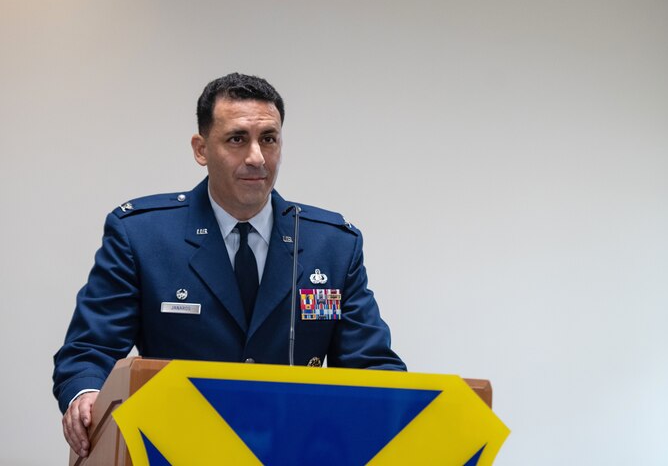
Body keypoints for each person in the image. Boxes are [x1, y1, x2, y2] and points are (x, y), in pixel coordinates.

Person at [53, 73, 405, 457]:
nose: (256, 157)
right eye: (237, 139)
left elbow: (371, 365)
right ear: (201, 149)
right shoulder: (142, 236)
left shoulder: (332, 244)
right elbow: (90, 349)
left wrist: (396, 410)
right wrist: (87, 396)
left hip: (292, 449)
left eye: (268, 139)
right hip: (174, 448)